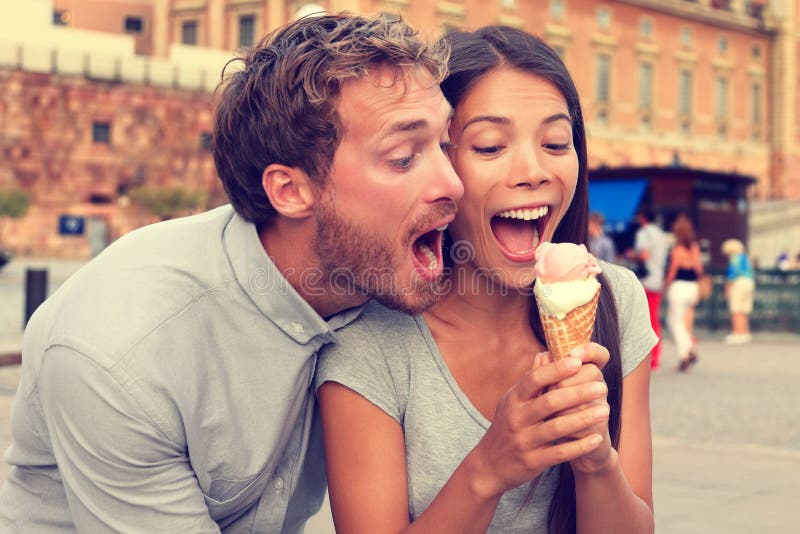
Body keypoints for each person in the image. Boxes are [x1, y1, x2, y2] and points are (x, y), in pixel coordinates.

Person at [0, 14, 464, 532]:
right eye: (403, 157)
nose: (452, 183)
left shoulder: (381, 273)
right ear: (290, 192)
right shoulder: (122, 355)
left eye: (445, 144)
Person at [316, 27, 655, 533]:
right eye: (491, 146)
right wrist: (489, 469)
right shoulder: (367, 341)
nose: (533, 170)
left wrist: (595, 460)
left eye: (556, 142)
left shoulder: (614, 298)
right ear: (439, 167)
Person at [628, 208, 668, 370]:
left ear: (642, 217)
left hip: (644, 280)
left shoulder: (643, 233)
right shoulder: (661, 234)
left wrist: (631, 255)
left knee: (642, 320)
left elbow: (643, 255)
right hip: (657, 279)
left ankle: (645, 359)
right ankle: (655, 357)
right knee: (654, 319)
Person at [664, 216, 703, 371]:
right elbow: (699, 269)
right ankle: (690, 350)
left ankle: (684, 355)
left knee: (674, 322)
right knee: (681, 322)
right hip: (693, 286)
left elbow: (673, 272)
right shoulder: (694, 248)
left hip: (679, 287)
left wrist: (665, 285)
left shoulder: (677, 250)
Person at [722, 239, 755, 345]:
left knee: (736, 309)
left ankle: (738, 333)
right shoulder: (745, 258)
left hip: (738, 283)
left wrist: (727, 288)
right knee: (744, 310)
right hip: (749, 282)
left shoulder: (734, 258)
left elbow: (732, 274)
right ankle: (745, 333)